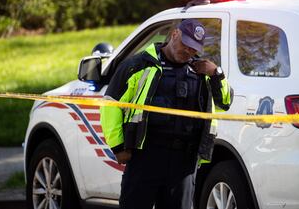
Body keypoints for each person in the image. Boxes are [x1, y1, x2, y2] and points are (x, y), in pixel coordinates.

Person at [100, 18, 233, 209]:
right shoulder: (138, 65)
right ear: (174, 35)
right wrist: (118, 146)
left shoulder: (202, 72)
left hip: (184, 162)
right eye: (185, 44)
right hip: (145, 156)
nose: (188, 51)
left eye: (194, 48)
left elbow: (225, 103)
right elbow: (110, 104)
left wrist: (216, 73)